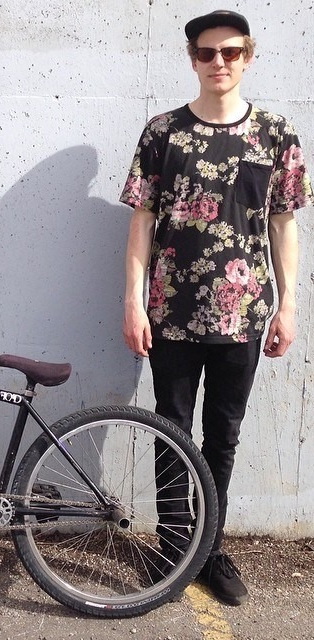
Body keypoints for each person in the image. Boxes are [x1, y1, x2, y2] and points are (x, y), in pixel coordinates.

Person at [120, 10, 312, 606]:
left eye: (230, 52)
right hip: (171, 312)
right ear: (192, 59)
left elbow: (283, 226)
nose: (219, 62)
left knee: (222, 437)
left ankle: (209, 548)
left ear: (248, 57)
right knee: (171, 430)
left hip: (244, 314)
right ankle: (174, 547)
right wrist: (133, 302)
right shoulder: (163, 133)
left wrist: (288, 306)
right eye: (207, 53)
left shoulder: (275, 134)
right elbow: (142, 221)